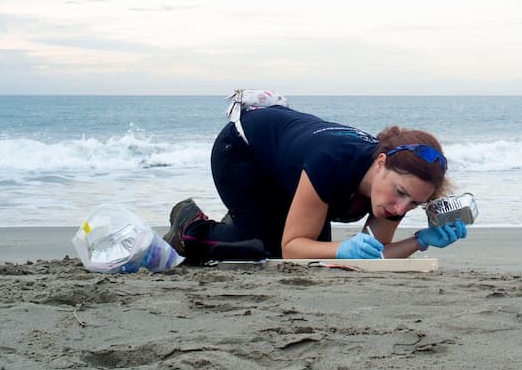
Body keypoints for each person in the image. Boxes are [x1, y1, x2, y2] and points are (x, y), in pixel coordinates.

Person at [164, 96, 469, 263]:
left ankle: (250, 219)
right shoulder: (332, 163)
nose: (400, 209)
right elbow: (293, 248)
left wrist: (419, 241)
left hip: (291, 164)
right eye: (400, 193)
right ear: (380, 163)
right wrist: (339, 250)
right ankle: (191, 227)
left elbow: (373, 256)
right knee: (271, 254)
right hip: (244, 151)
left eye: (414, 203)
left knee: (318, 259)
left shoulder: (393, 192)